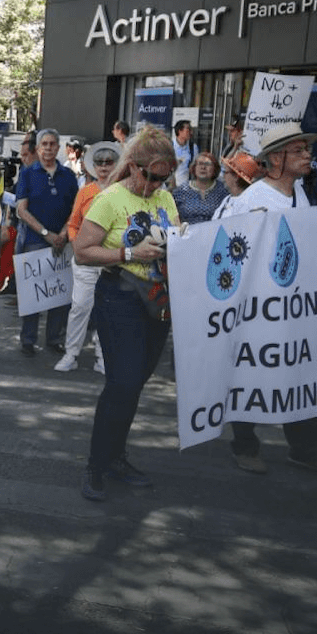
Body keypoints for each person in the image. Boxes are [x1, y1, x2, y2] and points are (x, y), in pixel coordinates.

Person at [218, 122, 317, 477]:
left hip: (295, 307)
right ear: (276, 158)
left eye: (307, 150)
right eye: (299, 151)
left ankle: (306, 448)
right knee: (251, 372)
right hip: (261, 308)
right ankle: (244, 445)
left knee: (302, 372)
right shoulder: (253, 200)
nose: (308, 156)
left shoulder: (300, 193)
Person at [73, 126, 178, 501]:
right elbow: (82, 251)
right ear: (133, 167)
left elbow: (174, 236)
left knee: (134, 384)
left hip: (156, 301)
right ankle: (97, 464)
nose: (156, 185)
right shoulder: (110, 200)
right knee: (122, 383)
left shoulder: (164, 197)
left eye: (164, 178)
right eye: (151, 176)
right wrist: (129, 254)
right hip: (120, 298)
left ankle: (115, 456)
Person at [55, 141, 120, 375]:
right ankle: (71, 354)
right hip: (85, 263)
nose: (103, 167)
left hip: (113, 263)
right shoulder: (86, 192)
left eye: (108, 162)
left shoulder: (123, 192)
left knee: (107, 311)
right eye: (99, 162)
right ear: (93, 165)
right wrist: (77, 244)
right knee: (80, 307)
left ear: (116, 164)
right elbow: (73, 223)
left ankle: (103, 357)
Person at [15, 128, 80, 356]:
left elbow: (75, 209)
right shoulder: (27, 174)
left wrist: (63, 234)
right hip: (35, 239)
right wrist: (45, 233)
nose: (49, 148)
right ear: (38, 148)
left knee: (60, 295)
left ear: (58, 147)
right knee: (33, 293)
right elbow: (21, 210)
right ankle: (28, 340)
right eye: (45, 144)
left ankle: (54, 338)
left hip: (62, 241)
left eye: (53, 144)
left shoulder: (68, 176)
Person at [172, 152, 230, 224]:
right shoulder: (180, 191)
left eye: (207, 164)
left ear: (215, 168)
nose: (203, 167)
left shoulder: (223, 192)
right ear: (194, 167)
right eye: (200, 164)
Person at [212, 150, 261, 219]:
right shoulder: (228, 199)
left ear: (236, 177)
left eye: (225, 172)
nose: (223, 176)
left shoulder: (249, 204)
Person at [171, 119, 199, 187]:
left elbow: (196, 167)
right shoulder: (169, 146)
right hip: (170, 187)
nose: (191, 132)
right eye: (188, 129)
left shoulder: (193, 148)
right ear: (179, 131)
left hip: (187, 188)